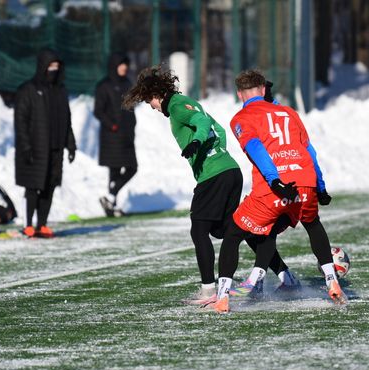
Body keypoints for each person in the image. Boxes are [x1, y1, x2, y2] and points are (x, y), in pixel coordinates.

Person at [123, 66, 296, 305]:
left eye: (149, 101)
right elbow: (219, 130)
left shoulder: (176, 106)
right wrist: (217, 151)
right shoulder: (187, 102)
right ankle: (286, 276)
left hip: (215, 176)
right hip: (229, 171)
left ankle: (208, 291)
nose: (152, 107)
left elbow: (201, 122)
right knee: (236, 228)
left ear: (156, 94)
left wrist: (197, 143)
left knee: (199, 230)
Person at [209, 69, 347, 313]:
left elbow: (255, 148)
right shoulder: (289, 112)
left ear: (239, 94)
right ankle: (331, 280)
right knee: (311, 223)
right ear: (263, 90)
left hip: (274, 188)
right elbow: (309, 150)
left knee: (233, 234)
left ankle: (223, 297)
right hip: (305, 181)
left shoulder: (241, 118)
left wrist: (275, 180)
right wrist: (320, 185)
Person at [14, 48, 77, 238]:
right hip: (35, 149)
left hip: (56, 149)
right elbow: (20, 121)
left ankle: (42, 224)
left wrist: (70, 144)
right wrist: (25, 146)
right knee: (33, 186)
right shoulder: (28, 90)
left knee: (49, 186)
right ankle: (28, 224)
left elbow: (67, 120)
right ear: (43, 67)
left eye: (57, 66)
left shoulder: (61, 90)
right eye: (51, 66)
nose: (54, 70)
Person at [95, 53, 137, 217]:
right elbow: (98, 111)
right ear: (114, 65)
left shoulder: (127, 83)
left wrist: (132, 125)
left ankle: (110, 198)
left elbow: (131, 108)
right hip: (111, 136)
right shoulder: (103, 86)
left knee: (132, 167)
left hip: (127, 135)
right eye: (121, 64)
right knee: (115, 171)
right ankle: (112, 205)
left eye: (126, 64)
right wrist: (112, 125)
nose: (124, 67)